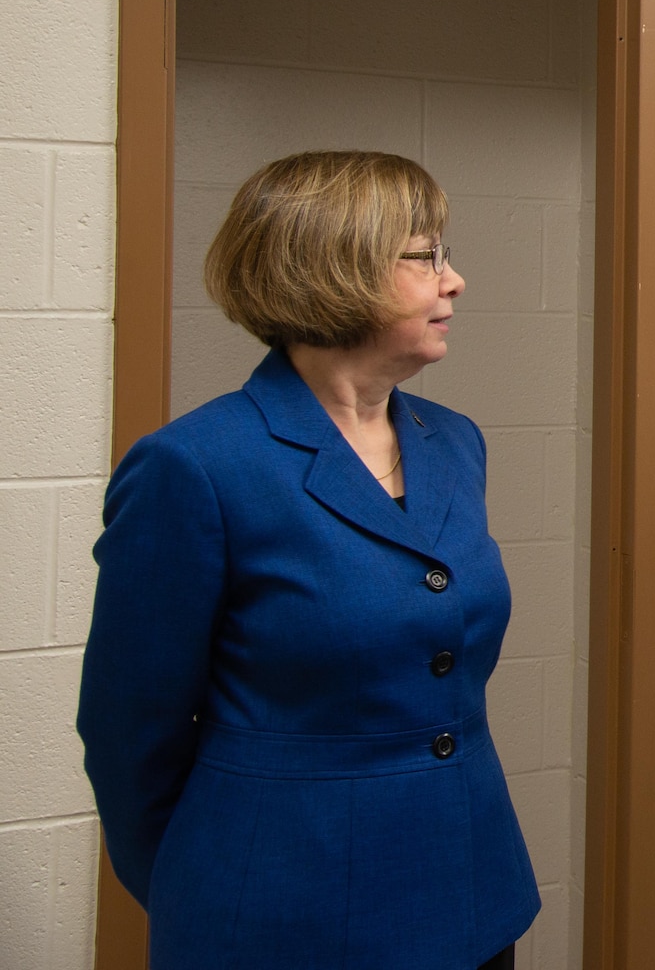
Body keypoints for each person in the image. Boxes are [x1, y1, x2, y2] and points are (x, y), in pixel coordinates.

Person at [77, 152, 540, 969]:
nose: (455, 279)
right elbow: (127, 730)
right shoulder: (196, 465)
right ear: (335, 268)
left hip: (469, 889)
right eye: (425, 255)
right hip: (283, 912)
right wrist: (205, 887)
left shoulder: (453, 441)